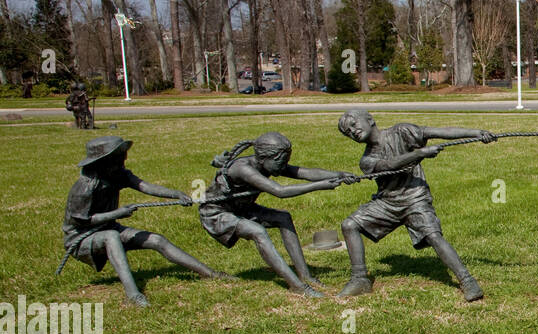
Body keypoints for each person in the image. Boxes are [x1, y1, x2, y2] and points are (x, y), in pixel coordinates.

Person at [335, 110, 496, 302]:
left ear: (370, 120)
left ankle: (467, 280)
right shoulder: (366, 161)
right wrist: (419, 154)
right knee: (349, 225)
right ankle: (360, 279)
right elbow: (389, 165)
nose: (353, 131)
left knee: (433, 235)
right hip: (387, 203)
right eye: (348, 132)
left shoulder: (402, 131)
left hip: (415, 198)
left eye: (354, 124)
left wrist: (477, 133)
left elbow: (437, 132)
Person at [63, 136, 222, 307]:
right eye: (118, 160)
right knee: (111, 237)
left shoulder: (117, 174)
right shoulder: (84, 188)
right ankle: (133, 295)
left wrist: (175, 194)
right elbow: (82, 221)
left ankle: (210, 274)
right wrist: (117, 213)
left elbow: (145, 186)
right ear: (103, 162)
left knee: (156, 240)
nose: (123, 163)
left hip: (107, 227)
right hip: (81, 238)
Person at [200, 132, 358, 298]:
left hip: (242, 208)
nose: (284, 166)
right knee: (257, 231)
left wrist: (339, 174)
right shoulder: (243, 169)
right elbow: (279, 191)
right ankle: (298, 287)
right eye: (281, 161)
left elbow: (304, 172)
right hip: (217, 213)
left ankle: (305, 276)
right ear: (264, 157)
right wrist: (320, 186)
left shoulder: (267, 163)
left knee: (283, 218)